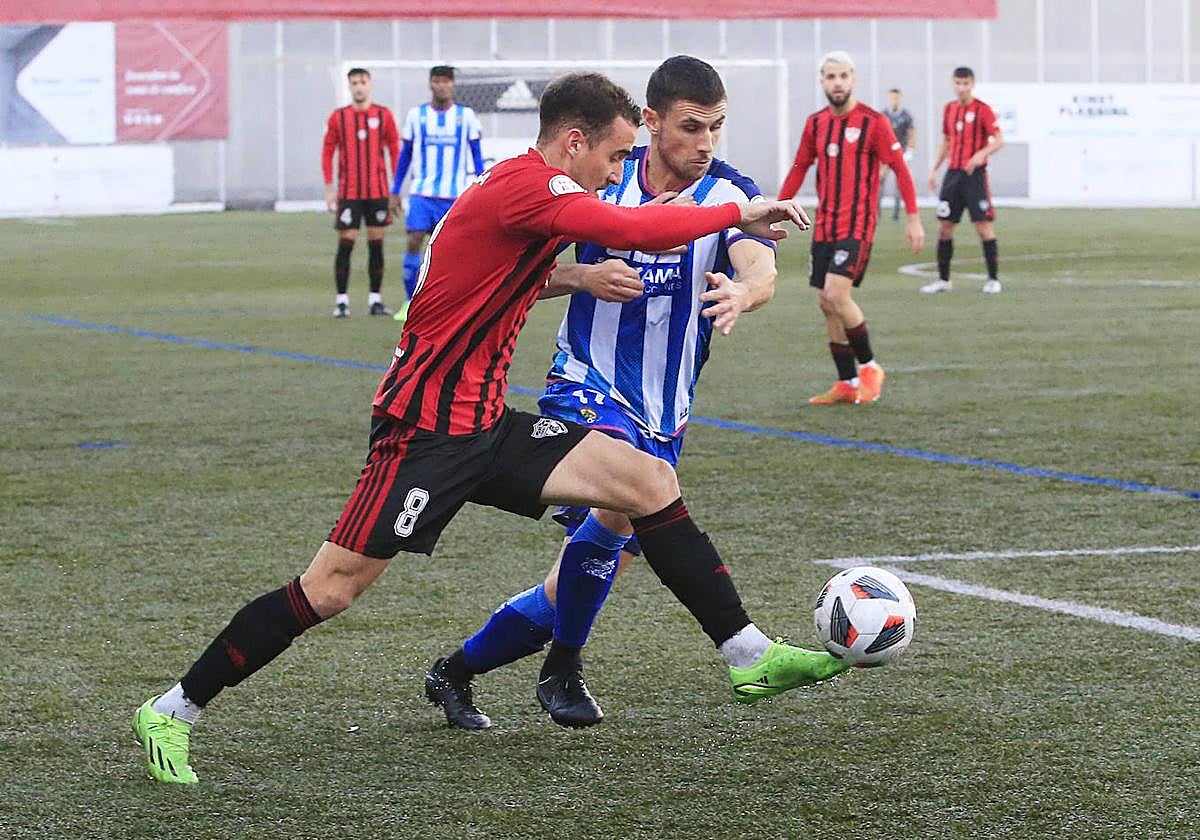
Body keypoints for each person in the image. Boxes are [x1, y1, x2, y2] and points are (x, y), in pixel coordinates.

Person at [132, 71, 845, 785]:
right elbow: (633, 230)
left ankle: (747, 654)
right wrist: (732, 215)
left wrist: (580, 280)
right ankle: (174, 707)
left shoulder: (519, 189)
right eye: (615, 156)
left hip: (485, 425)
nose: (618, 171)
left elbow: (501, 277)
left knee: (647, 481)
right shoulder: (529, 188)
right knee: (331, 590)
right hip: (424, 434)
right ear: (574, 143)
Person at [425, 55, 782, 731]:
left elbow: (757, 261)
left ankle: (459, 669)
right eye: (692, 126)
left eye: (717, 126)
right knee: (617, 517)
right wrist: (580, 280)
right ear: (652, 122)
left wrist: (746, 291)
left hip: (664, 408)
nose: (706, 142)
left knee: (582, 573)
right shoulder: (598, 180)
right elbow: (517, 270)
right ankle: (565, 667)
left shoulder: (727, 190)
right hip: (585, 383)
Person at [778, 51, 924, 406]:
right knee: (826, 303)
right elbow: (800, 166)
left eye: (843, 75)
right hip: (824, 224)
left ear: (854, 79)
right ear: (822, 81)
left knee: (836, 294)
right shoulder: (815, 124)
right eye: (831, 76)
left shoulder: (873, 122)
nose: (838, 82)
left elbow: (900, 169)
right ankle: (846, 382)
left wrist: (914, 217)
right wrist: (778, 207)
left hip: (857, 225)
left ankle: (871, 367)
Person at [388, 66, 485, 322]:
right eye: (437, 81)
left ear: (452, 85)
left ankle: (455, 303)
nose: (441, 86)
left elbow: (476, 156)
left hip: (454, 196)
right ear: (431, 84)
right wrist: (395, 190)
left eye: (446, 81)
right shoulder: (416, 116)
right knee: (414, 240)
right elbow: (405, 155)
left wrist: (483, 188)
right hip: (422, 193)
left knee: (455, 250)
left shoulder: (466, 117)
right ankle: (410, 303)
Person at [321, 67, 400, 319]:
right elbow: (328, 151)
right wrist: (329, 187)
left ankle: (375, 300)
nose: (359, 87)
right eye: (354, 82)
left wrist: (395, 188)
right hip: (349, 193)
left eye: (363, 82)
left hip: (377, 191)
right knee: (346, 244)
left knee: (376, 245)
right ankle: (341, 301)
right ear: (349, 86)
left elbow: (394, 150)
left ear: (370, 85)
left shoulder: (384, 115)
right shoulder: (338, 117)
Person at [923, 66, 1004, 295]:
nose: (962, 88)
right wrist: (934, 170)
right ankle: (943, 280)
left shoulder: (983, 110)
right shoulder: (949, 109)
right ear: (953, 84)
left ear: (972, 84)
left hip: (974, 177)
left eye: (966, 83)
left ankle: (993, 279)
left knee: (983, 225)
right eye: (958, 83)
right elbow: (947, 141)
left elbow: (999, 140)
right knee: (944, 227)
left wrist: (980, 155)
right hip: (953, 176)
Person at [881, 88, 917, 222]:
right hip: (885, 153)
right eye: (892, 97)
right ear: (889, 98)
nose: (894, 100)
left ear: (900, 98)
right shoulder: (883, 114)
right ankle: (876, 212)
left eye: (896, 97)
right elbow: (879, 134)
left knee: (899, 183)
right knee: (880, 181)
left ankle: (896, 214)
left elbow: (912, 133)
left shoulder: (906, 115)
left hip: (900, 153)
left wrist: (910, 150)